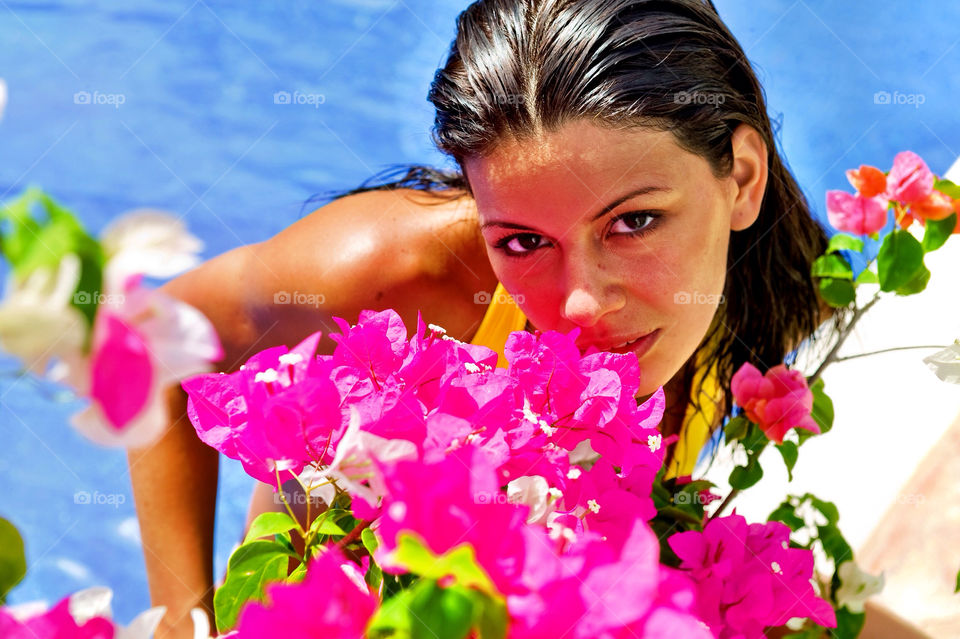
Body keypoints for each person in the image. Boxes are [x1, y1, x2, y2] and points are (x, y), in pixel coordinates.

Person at [127, 1, 893, 636]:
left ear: (743, 180)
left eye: (635, 223)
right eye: (523, 241)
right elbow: (152, 333)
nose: (584, 304)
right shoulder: (400, 277)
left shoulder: (774, 308)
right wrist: (181, 616)